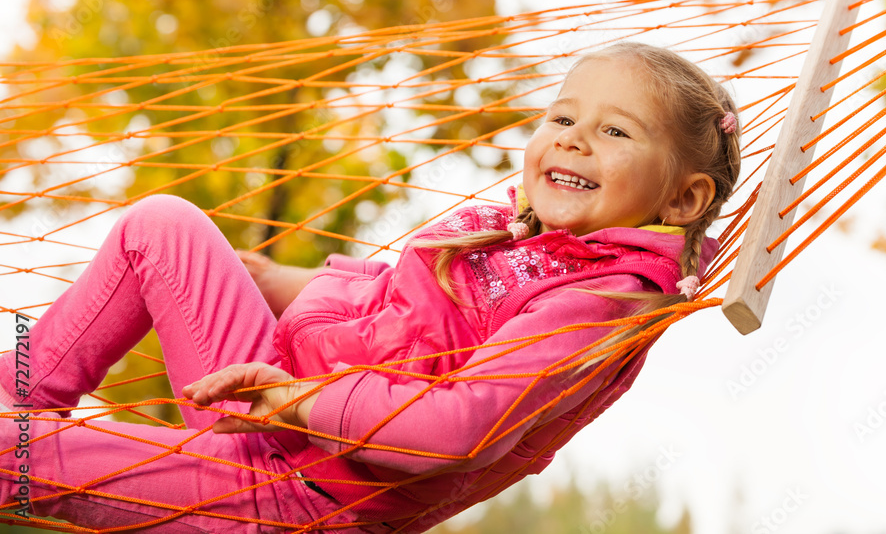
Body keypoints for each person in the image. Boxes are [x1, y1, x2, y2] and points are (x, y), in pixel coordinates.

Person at [0, 41, 741, 533]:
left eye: (617, 132)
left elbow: (461, 431)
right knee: (161, 226)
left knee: (12, 450)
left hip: (293, 498)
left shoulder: (603, 302)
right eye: (563, 116)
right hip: (276, 408)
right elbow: (394, 307)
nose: (575, 136)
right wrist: (277, 283)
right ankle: (20, 387)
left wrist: (293, 401)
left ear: (681, 200)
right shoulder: (514, 242)